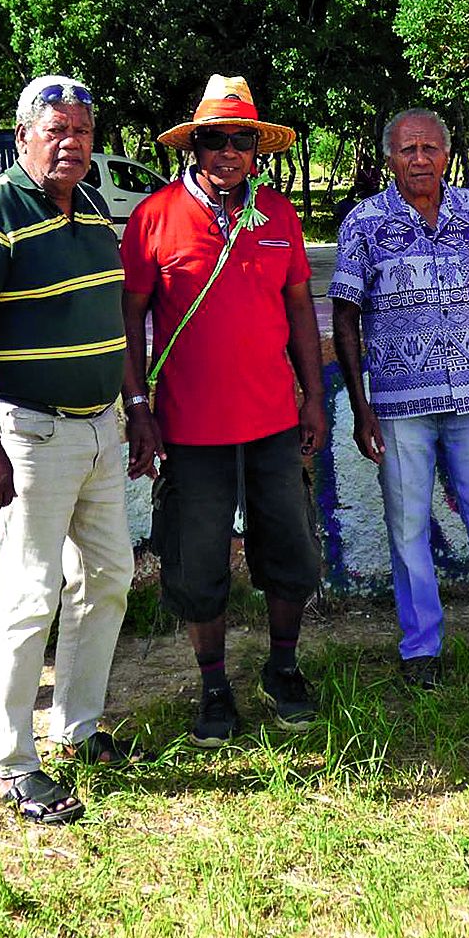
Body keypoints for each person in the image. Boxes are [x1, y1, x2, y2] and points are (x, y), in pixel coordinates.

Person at [0, 74, 134, 826]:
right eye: (56, 131)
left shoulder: (89, 205)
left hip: (99, 428)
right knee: (28, 596)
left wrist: (131, 408)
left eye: (82, 131)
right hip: (31, 433)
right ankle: (13, 765)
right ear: (23, 135)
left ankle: (78, 728)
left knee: (108, 576)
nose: (71, 143)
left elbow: (109, 315)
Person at [120, 75, 327, 745]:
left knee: (290, 546)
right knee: (195, 557)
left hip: (272, 418)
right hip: (188, 426)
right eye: (215, 138)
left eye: (241, 139)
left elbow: (298, 309)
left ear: (256, 150)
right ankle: (213, 685)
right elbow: (129, 321)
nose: (228, 151)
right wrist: (137, 407)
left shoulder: (280, 216)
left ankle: (283, 666)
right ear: (195, 145)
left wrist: (314, 397)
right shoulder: (153, 217)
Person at [332, 108, 469, 688]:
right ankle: (421, 647)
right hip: (398, 404)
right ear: (389, 158)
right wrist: (360, 403)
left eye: (429, 148)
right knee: (407, 527)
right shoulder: (364, 223)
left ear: (445, 154)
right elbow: (346, 316)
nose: (419, 159)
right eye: (406, 149)